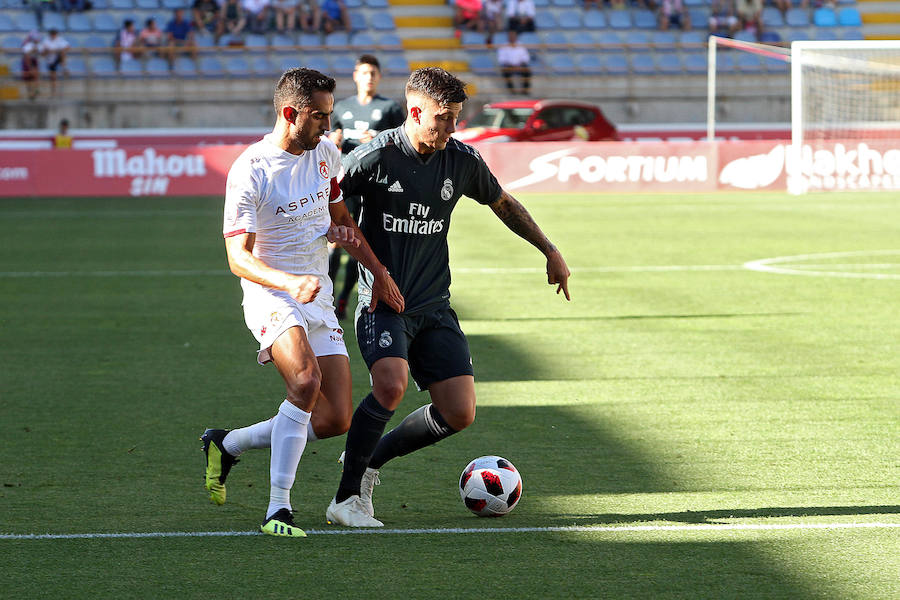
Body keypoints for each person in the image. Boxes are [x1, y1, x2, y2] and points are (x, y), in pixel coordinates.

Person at [328, 67, 570, 527]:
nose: (452, 127)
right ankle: (346, 500)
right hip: (384, 303)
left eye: (457, 117)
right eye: (444, 118)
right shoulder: (373, 157)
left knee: (459, 412)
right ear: (416, 112)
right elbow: (330, 204)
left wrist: (549, 249)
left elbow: (504, 204)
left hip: (434, 305)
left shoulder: (460, 159)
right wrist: (371, 268)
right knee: (391, 385)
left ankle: (367, 460)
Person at [201, 67, 403, 538]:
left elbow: (342, 219)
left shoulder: (325, 154)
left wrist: (378, 271)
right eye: (319, 117)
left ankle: (227, 444)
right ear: (291, 113)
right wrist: (289, 284)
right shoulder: (250, 170)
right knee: (307, 382)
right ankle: (278, 510)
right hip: (272, 291)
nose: (327, 127)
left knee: (335, 418)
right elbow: (238, 258)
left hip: (316, 293)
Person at [327, 54, 405, 320]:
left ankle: (344, 299)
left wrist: (380, 139)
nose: (369, 77)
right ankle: (326, 298)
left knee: (361, 243)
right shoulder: (341, 108)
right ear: (355, 75)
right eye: (364, 72)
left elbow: (403, 143)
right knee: (338, 241)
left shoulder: (390, 109)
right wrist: (333, 139)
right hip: (347, 184)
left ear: (379, 77)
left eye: (373, 73)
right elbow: (330, 140)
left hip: (375, 186)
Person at [497, 29, 531, 96]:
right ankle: (511, 91)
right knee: (506, 72)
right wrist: (511, 65)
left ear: (516, 36)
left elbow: (526, 57)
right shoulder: (503, 46)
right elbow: (501, 59)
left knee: (527, 72)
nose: (512, 37)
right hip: (509, 66)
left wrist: (520, 65)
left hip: (520, 66)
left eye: (513, 35)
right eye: (510, 35)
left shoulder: (521, 45)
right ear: (508, 37)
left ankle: (525, 90)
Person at [39, 28, 69, 98]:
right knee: (53, 77)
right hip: (50, 61)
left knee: (62, 53)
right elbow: (42, 53)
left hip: (57, 58)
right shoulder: (45, 41)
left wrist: (55, 51)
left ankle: (64, 67)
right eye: (52, 34)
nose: (53, 36)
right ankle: (54, 93)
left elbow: (67, 47)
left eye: (54, 34)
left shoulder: (59, 40)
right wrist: (49, 51)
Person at [21, 32, 41, 100]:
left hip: (33, 61)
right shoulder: (28, 45)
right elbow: (27, 57)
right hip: (28, 62)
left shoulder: (37, 45)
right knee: (28, 78)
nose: (38, 39)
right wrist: (31, 67)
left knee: (35, 76)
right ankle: (31, 93)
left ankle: (34, 92)